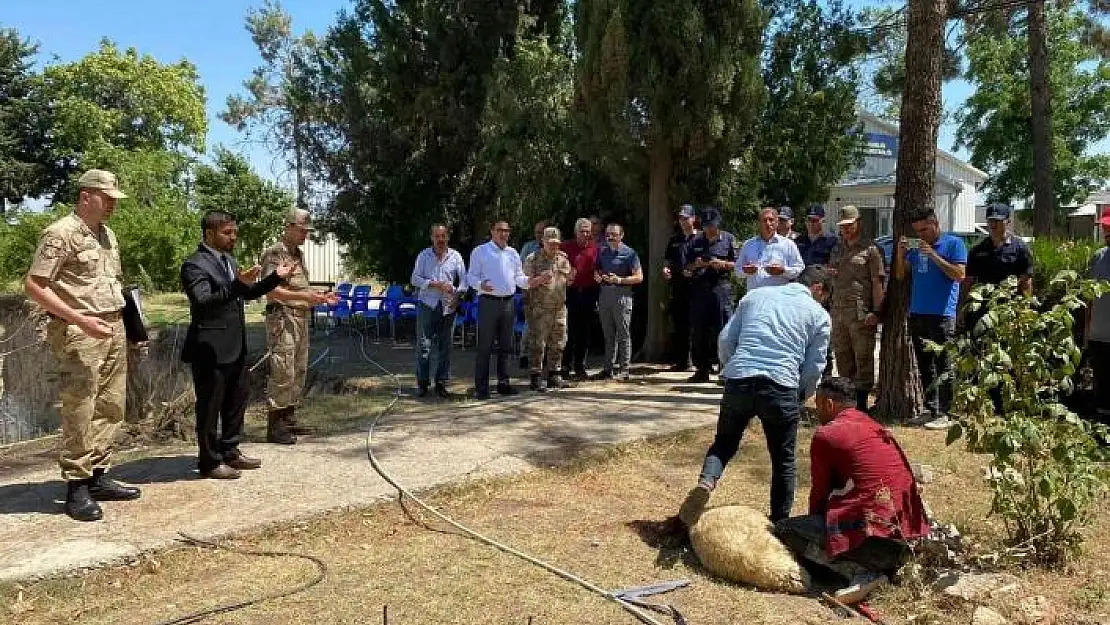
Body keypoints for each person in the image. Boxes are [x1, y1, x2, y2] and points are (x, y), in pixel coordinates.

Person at [25, 169, 141, 521]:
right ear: (86, 196)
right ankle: (76, 484)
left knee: (111, 405)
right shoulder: (60, 234)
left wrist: (132, 327)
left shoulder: (107, 234)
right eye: (106, 199)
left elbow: (113, 284)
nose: (111, 207)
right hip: (79, 332)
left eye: (113, 201)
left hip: (112, 327)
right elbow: (35, 285)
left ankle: (97, 475)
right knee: (80, 407)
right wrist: (79, 319)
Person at [678, 265, 832, 528]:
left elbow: (726, 339)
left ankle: (707, 480)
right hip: (780, 385)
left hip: (740, 377)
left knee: (724, 443)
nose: (824, 300)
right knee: (783, 459)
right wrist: (800, 394)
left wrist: (731, 369)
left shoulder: (755, 297)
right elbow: (814, 366)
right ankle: (780, 522)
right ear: (818, 288)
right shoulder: (819, 315)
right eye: (825, 295)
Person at [774, 377, 930, 605]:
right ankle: (878, 566)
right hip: (906, 536)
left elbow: (820, 492)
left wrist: (815, 523)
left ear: (828, 404)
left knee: (786, 530)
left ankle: (858, 572)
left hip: (874, 542)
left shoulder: (828, 434)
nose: (816, 412)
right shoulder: (875, 426)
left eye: (817, 405)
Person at [181, 211, 292, 480]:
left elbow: (247, 292)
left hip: (235, 345)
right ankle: (209, 462)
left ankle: (230, 450)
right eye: (227, 233)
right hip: (209, 348)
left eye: (234, 231)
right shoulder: (194, 265)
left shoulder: (228, 260)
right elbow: (203, 302)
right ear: (209, 234)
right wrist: (237, 284)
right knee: (209, 408)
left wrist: (275, 277)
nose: (234, 237)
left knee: (236, 402)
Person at [259, 209, 338, 445]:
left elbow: (299, 288)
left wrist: (320, 297)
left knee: (299, 369)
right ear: (289, 226)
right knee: (283, 369)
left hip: (300, 318)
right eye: (302, 230)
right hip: (282, 319)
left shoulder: (298, 255)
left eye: (307, 231)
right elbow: (271, 289)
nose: (305, 234)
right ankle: (275, 425)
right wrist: (306, 298)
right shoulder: (275, 253)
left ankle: (289, 417)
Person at [895, 210, 968, 429]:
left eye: (924, 230)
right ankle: (931, 409)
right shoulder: (916, 249)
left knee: (944, 364)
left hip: (942, 314)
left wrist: (933, 255)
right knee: (925, 365)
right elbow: (900, 275)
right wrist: (900, 254)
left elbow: (959, 274)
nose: (921, 235)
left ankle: (947, 412)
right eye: (917, 231)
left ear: (935, 223)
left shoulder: (953, 243)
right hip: (918, 312)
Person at [468, 220, 549, 399]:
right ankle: (481, 387)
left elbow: (518, 277)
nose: (503, 234)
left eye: (506, 230)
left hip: (508, 303)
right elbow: (470, 276)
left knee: (506, 346)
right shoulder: (481, 251)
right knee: (485, 346)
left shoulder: (512, 253)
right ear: (492, 231)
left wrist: (531, 281)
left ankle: (503, 383)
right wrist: (480, 285)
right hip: (488, 302)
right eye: (500, 230)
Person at [828, 206, 885, 411]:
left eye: (849, 226)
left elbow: (877, 281)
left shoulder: (871, 250)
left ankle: (861, 405)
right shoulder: (838, 248)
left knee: (863, 358)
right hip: (839, 311)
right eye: (843, 226)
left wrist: (877, 312)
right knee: (842, 356)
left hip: (861, 313)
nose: (846, 230)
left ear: (858, 223)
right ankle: (848, 403)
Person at [410, 223, 467, 399]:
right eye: (437, 236)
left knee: (445, 347)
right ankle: (423, 383)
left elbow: (464, 281)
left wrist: (457, 294)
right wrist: (434, 284)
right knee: (424, 346)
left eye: (443, 236)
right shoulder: (423, 255)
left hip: (448, 306)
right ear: (432, 238)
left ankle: (441, 382)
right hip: (427, 304)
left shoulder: (456, 256)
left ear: (447, 237)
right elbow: (414, 279)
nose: (440, 240)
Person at [682, 207, 737, 383]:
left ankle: (725, 369)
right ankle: (702, 369)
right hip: (700, 289)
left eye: (711, 225)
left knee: (724, 330)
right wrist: (695, 266)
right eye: (705, 225)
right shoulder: (695, 241)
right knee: (699, 331)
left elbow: (738, 265)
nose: (708, 229)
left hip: (721, 288)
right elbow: (685, 268)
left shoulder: (728, 239)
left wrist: (721, 264)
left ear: (718, 224)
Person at [523, 226, 574, 391]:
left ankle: (554, 374)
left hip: (559, 308)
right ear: (543, 241)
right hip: (539, 308)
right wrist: (540, 279)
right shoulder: (533, 259)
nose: (554, 246)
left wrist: (571, 278)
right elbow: (525, 283)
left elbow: (567, 280)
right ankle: (535, 377)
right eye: (550, 243)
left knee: (558, 343)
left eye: (556, 243)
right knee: (538, 344)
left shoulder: (563, 259)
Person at [592, 223, 643, 382]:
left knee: (623, 333)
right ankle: (608, 369)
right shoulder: (602, 251)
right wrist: (598, 276)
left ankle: (624, 369)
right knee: (608, 334)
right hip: (605, 295)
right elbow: (597, 270)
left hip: (622, 296)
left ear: (621, 235)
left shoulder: (630, 253)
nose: (610, 237)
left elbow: (639, 277)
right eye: (608, 234)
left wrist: (620, 280)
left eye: (614, 234)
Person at [561, 218, 601, 380]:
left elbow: (600, 267)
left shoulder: (596, 248)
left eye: (587, 231)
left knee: (584, 332)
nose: (585, 234)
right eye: (582, 231)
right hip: (570, 293)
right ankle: (564, 365)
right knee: (568, 330)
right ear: (575, 232)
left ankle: (580, 366)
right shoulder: (565, 247)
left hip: (589, 293)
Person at [664, 205, 699, 372]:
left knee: (696, 324)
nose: (683, 221)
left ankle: (698, 362)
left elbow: (705, 259)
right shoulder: (674, 239)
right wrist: (666, 270)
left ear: (693, 218)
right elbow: (668, 260)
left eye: (686, 218)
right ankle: (682, 361)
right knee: (680, 324)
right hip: (678, 286)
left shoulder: (700, 238)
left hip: (697, 286)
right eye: (680, 218)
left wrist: (693, 270)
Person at [736, 207, 805, 291]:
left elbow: (799, 268)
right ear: (759, 224)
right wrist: (745, 271)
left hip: (778, 297)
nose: (768, 223)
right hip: (755, 297)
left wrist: (783, 271)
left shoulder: (788, 244)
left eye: (771, 220)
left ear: (776, 223)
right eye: (764, 220)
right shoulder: (748, 244)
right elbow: (737, 270)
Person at [1086, 213, 1110, 425]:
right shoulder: (1098, 257)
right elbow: (1088, 296)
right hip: (1099, 332)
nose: (1106, 232)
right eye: (1105, 228)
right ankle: (1101, 421)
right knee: (1101, 379)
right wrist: (1087, 329)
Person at [518, 220, 548, 369]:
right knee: (529, 325)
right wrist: (525, 292)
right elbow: (521, 272)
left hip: (549, 296)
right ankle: (524, 354)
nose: (538, 236)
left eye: (541, 233)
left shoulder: (555, 249)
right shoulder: (528, 248)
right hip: (531, 292)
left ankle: (544, 357)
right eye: (536, 233)